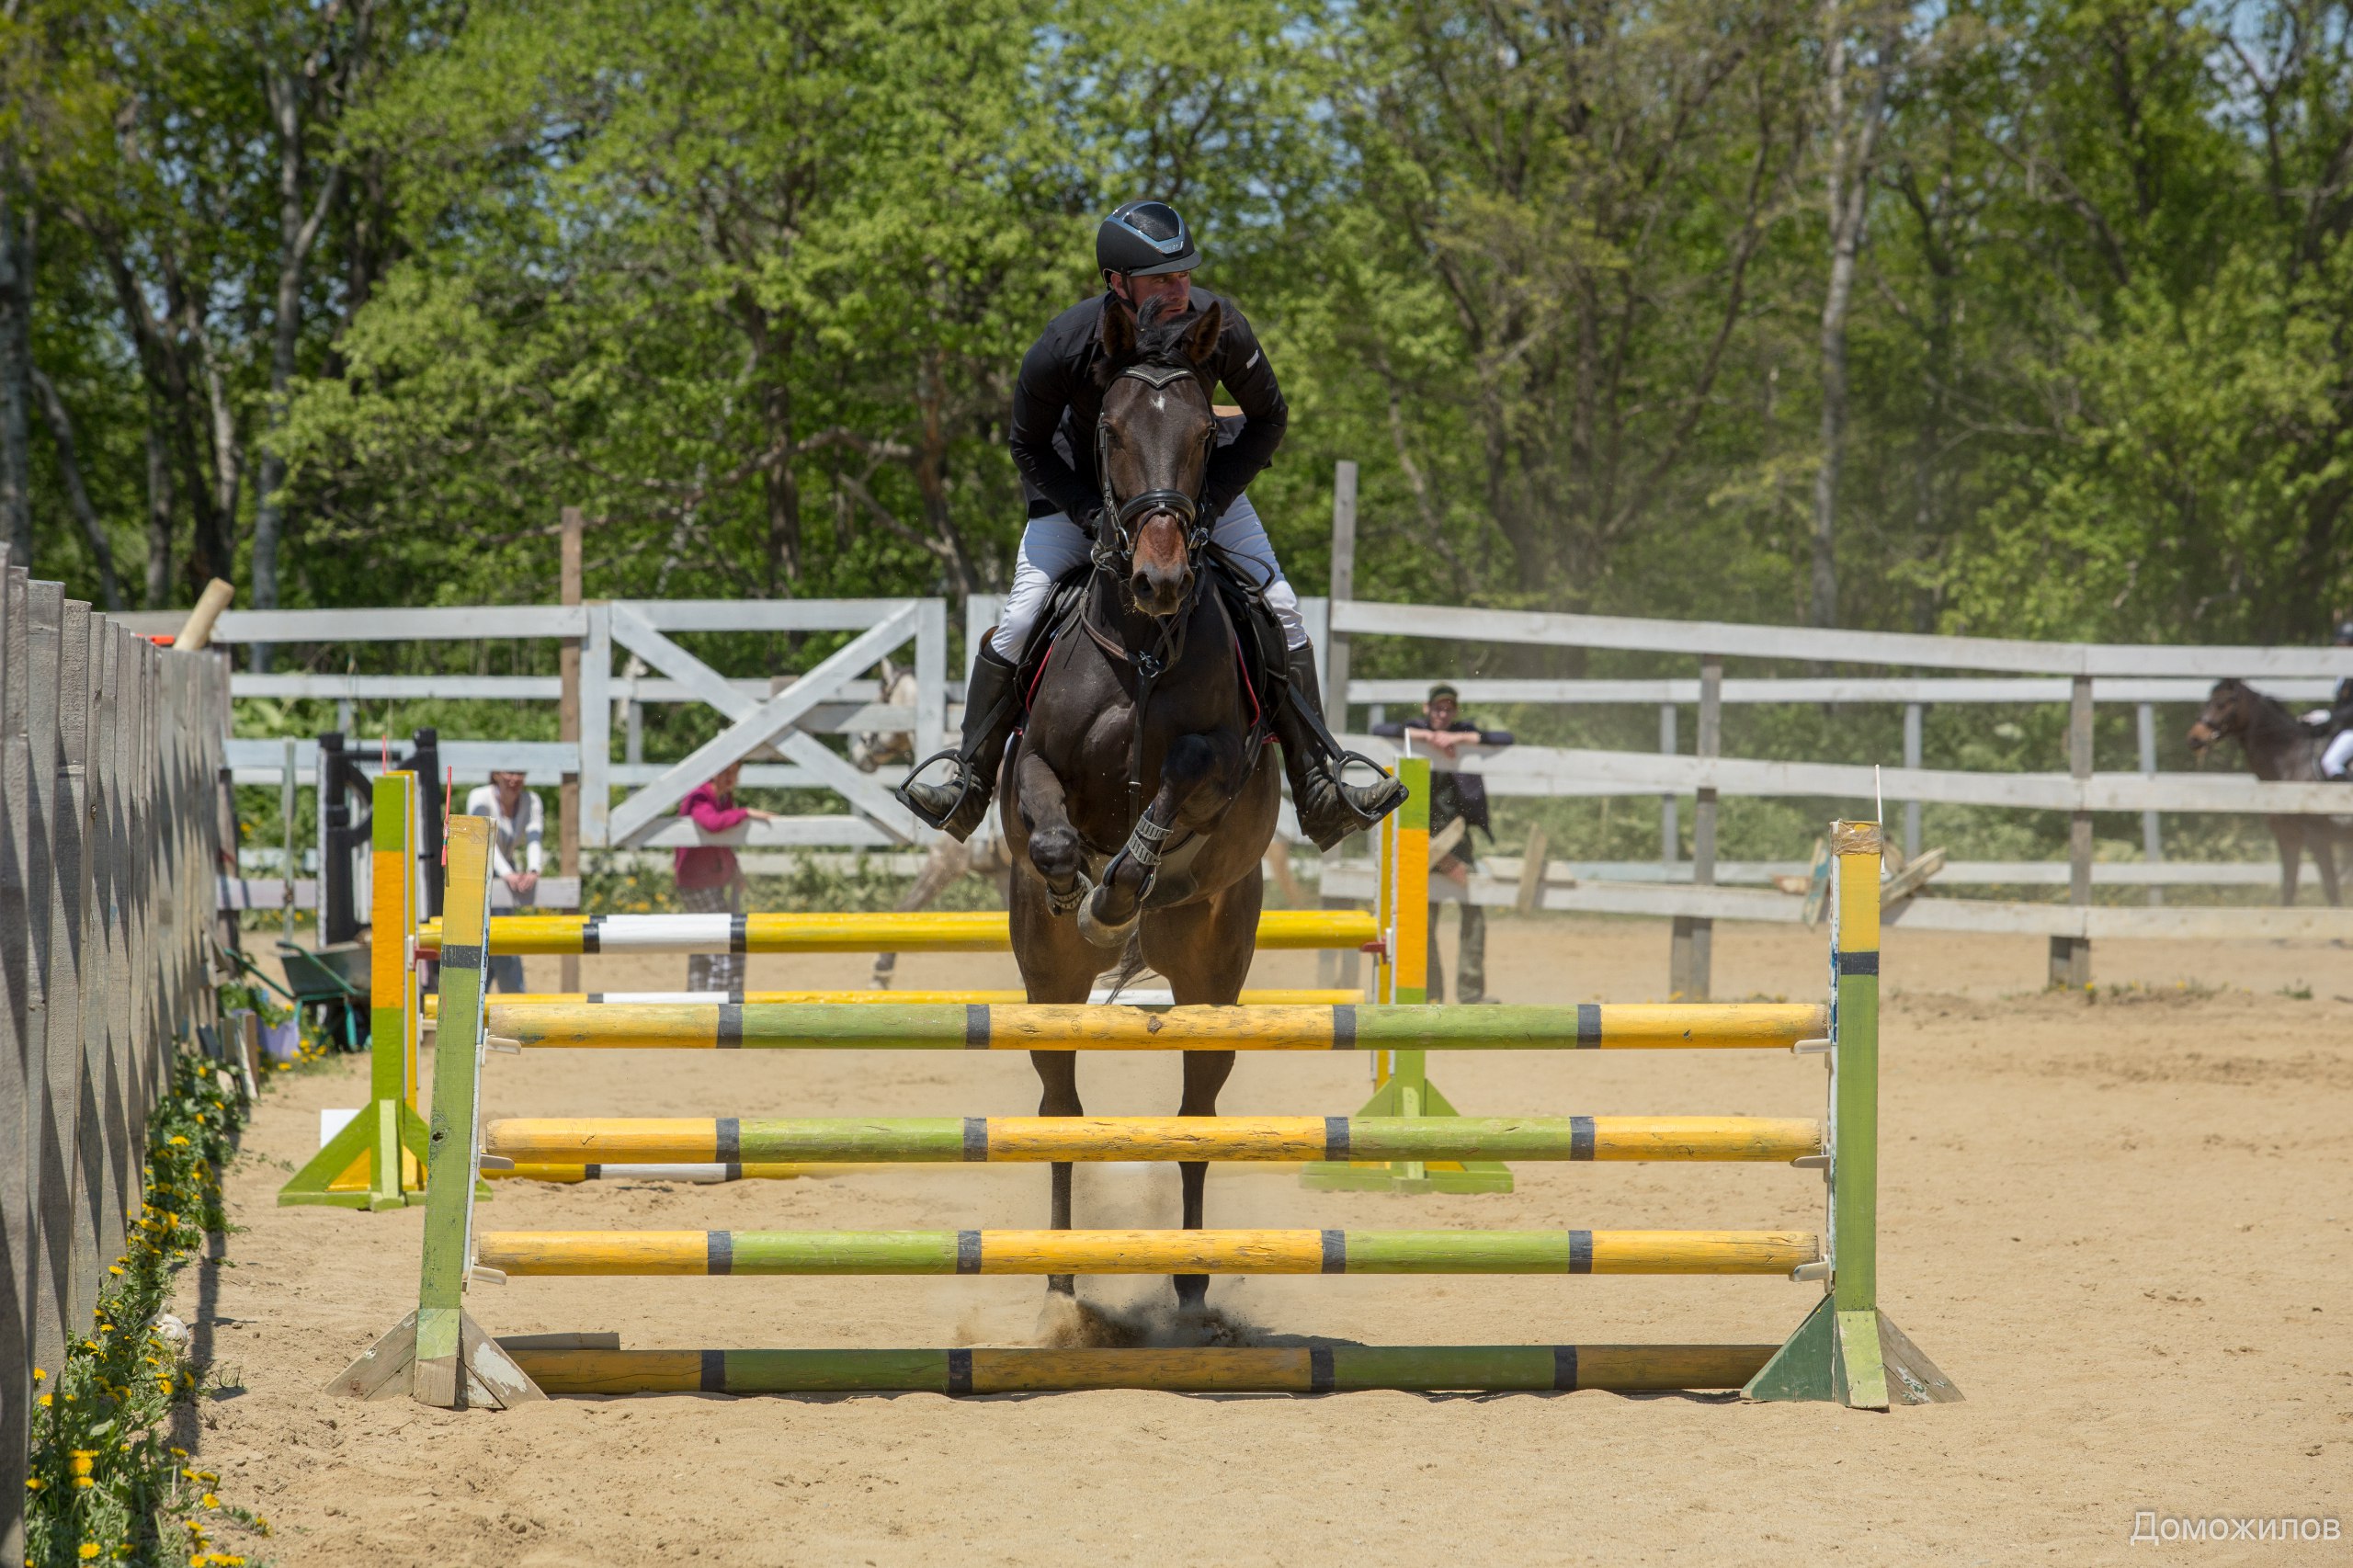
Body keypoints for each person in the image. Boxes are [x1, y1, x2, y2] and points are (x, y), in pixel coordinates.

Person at [897, 199, 1405, 850]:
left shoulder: (1220, 329)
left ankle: (1319, 783)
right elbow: (1025, 444)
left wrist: (1211, 503)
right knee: (1023, 614)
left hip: (1192, 488)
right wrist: (1085, 512)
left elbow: (1270, 420)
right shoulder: (1065, 343)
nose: (1179, 289)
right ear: (1118, 283)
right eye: (1162, 279)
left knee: (1281, 606)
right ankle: (969, 776)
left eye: (1184, 275)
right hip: (1081, 491)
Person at [1373, 685, 1515, 1004]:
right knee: (1422, 915)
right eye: (1438, 708)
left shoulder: (1463, 732)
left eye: (1448, 709)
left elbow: (1505, 738)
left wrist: (1457, 739)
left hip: (1456, 835)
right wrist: (1426, 739)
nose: (1443, 714)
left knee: (1473, 912)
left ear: (1455, 712)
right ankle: (1430, 992)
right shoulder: (1415, 732)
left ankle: (1469, 992)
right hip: (1419, 838)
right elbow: (1379, 730)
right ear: (1427, 708)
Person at [676, 762, 776, 995]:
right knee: (724, 945)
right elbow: (712, 824)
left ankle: (698, 1004)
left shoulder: (720, 798)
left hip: (704, 882)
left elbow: (722, 842)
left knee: (705, 945)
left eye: (734, 773)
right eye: (726, 772)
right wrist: (745, 813)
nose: (731, 778)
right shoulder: (700, 797)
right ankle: (717, 1009)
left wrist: (735, 870)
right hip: (699, 884)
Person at [466, 769, 543, 993]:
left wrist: (533, 869)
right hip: (476, 873)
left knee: (495, 944)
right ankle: (514, 1001)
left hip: (505, 872)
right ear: (496, 774)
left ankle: (483, 1006)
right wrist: (507, 872)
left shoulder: (531, 800)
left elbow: (534, 834)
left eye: (520, 773)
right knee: (495, 944)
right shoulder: (479, 797)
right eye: (509, 772)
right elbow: (483, 839)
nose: (514, 779)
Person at [2310, 619, 2353, 779]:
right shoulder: (2342, 673)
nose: (2339, 649)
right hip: (2345, 729)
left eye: (2344, 646)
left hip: (2352, 730)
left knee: (2330, 762)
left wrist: (2330, 717)